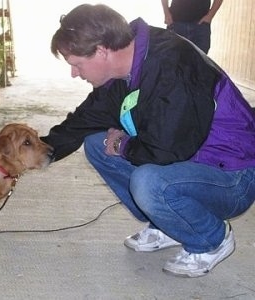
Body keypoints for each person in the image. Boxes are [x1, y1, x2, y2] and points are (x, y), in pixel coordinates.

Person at [40, 4, 255, 278]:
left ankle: (210, 239)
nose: (74, 73)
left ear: (101, 51)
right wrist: (32, 154)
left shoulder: (172, 64)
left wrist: (123, 145)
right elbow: (84, 120)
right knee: (96, 144)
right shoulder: (125, 69)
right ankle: (167, 225)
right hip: (191, 163)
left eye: (76, 64)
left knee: (149, 182)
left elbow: (167, 149)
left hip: (234, 176)